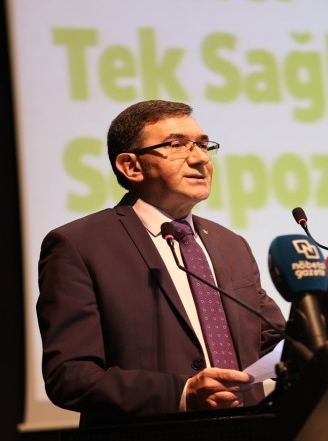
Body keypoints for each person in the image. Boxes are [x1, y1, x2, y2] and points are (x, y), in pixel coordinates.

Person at [36, 100, 286, 427]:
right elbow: (70, 375)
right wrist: (181, 393)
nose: (200, 158)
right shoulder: (80, 246)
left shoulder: (231, 244)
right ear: (131, 167)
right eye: (177, 145)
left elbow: (272, 341)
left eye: (203, 145)